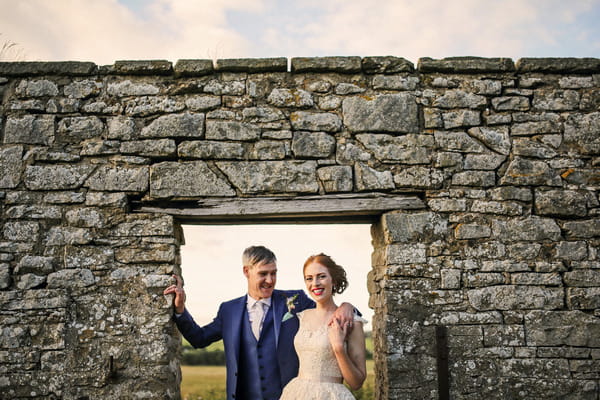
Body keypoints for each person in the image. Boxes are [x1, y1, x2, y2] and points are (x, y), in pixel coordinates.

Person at [163, 245, 357, 400]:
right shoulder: (228, 310)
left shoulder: (295, 300)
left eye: (274, 273)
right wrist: (180, 309)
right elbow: (199, 339)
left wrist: (347, 306)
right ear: (247, 271)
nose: (270, 280)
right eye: (263, 274)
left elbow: (329, 309)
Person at [280, 253, 367, 400]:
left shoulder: (352, 322)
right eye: (309, 278)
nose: (315, 283)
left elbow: (357, 383)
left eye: (321, 276)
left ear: (333, 280)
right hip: (296, 393)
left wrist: (339, 348)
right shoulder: (301, 316)